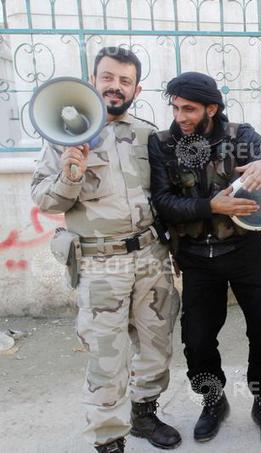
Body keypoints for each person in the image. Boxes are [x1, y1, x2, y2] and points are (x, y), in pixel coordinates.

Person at [31, 47, 181, 453]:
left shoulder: (149, 134)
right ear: (93, 81)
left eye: (125, 81)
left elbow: (168, 194)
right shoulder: (63, 137)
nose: (116, 87)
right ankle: (108, 437)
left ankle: (144, 413)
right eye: (108, 78)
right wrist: (69, 172)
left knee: (157, 343)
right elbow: (46, 201)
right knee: (106, 357)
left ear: (136, 88)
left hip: (151, 258)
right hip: (100, 266)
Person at [148, 71, 261, 450]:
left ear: (211, 108)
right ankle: (212, 400)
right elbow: (162, 202)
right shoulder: (163, 144)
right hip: (196, 258)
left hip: (245, 252)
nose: (180, 116)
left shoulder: (240, 137)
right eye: (176, 107)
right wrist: (209, 205)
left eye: (190, 109)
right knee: (197, 341)